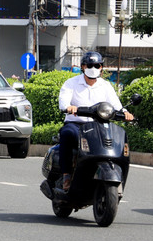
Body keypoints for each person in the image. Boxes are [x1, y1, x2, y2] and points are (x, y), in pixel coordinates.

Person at [57, 51, 134, 193]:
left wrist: (125, 113)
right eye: (90, 65)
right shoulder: (71, 83)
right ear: (83, 67)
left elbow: (116, 105)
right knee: (67, 134)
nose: (93, 68)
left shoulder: (105, 85)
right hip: (76, 124)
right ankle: (66, 175)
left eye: (97, 65)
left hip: (99, 125)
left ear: (101, 68)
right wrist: (69, 107)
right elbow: (63, 102)